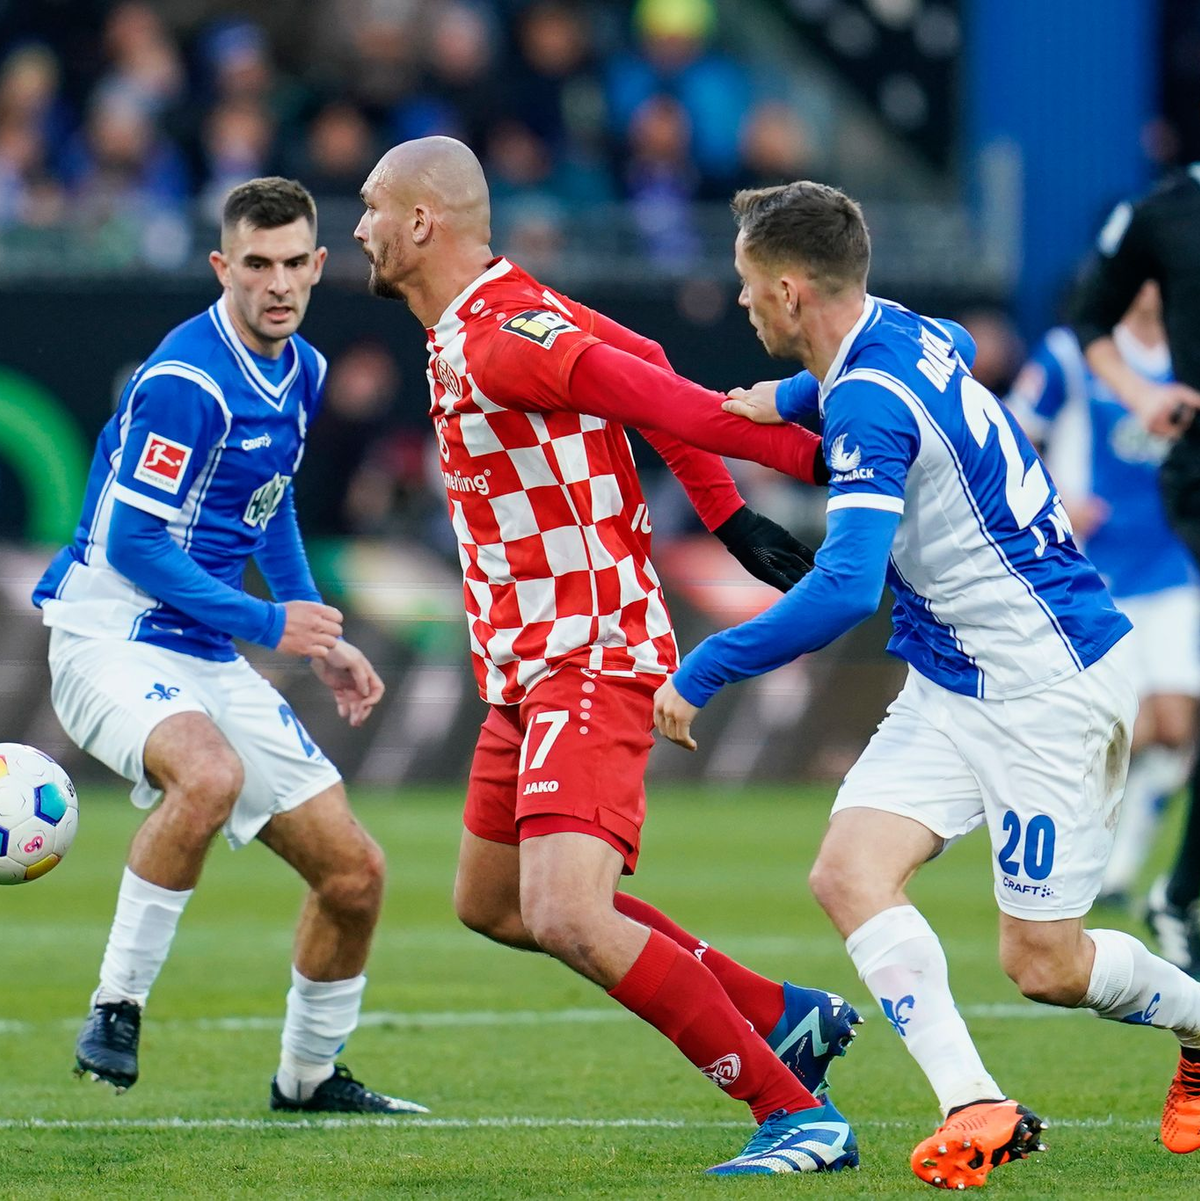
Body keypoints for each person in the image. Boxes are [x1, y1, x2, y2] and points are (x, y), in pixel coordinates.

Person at [652, 179, 1200, 1188]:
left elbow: (847, 587)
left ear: (787, 291)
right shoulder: (899, 331)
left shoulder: (868, 400)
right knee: (848, 872)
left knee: (1044, 965)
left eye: (744, 285)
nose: (738, 303)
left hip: (1049, 684)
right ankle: (976, 1102)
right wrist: (791, 395)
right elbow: (919, 353)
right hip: (957, 675)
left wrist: (706, 665)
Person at [354, 136, 861, 1176]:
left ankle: (795, 1115)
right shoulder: (500, 309)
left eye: (367, 207)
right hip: (524, 662)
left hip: (588, 651)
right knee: (493, 903)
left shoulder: (501, 337)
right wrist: (721, 517)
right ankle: (782, 1015)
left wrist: (808, 455)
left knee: (567, 912)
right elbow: (658, 369)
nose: (352, 228)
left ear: (419, 223)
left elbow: (666, 400)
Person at [32, 177, 424, 1116]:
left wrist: (311, 621)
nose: (278, 283)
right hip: (109, 634)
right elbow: (133, 541)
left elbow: (268, 500)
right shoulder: (185, 381)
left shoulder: (306, 370)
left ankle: (310, 1078)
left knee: (355, 874)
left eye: (295, 263)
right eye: (257, 264)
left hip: (204, 647)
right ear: (223, 267)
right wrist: (266, 624)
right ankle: (116, 1009)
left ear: (321, 266)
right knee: (203, 777)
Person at [1008, 284, 1199, 917]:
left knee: (1176, 724)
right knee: (1123, 726)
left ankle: (1119, 870)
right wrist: (1055, 498)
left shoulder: (1188, 350)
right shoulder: (1072, 353)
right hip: (1093, 571)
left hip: (1174, 563)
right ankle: (1084, 855)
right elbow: (1010, 432)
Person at [1070, 174, 1200, 976]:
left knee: (1174, 728)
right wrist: (1138, 394)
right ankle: (1138, 878)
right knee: (1148, 727)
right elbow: (1084, 320)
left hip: (1159, 565)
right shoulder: (1161, 213)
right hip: (1134, 546)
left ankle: (1168, 889)